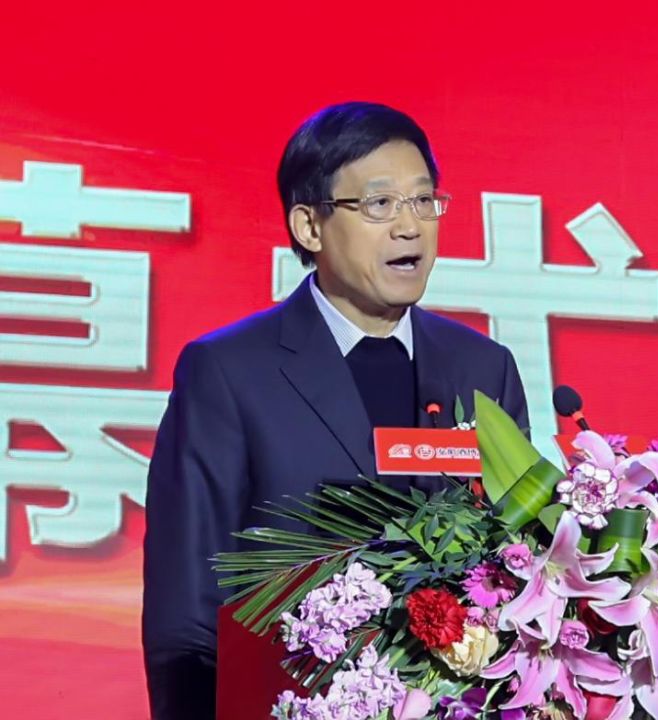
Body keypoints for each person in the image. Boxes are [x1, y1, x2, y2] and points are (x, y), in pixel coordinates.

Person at [142, 102, 528, 719]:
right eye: (380, 204)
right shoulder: (230, 371)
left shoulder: (483, 369)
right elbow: (186, 615)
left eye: (423, 200)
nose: (410, 227)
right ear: (309, 226)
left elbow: (518, 563)